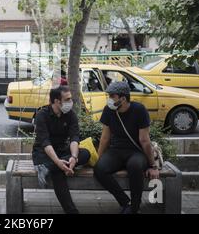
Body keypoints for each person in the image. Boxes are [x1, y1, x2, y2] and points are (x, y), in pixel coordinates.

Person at [93, 81, 159, 214]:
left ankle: (134, 207)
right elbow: (105, 138)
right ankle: (125, 202)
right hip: (116, 151)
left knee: (134, 166)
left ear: (123, 98)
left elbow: (144, 140)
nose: (109, 99)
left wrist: (153, 166)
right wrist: (98, 159)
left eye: (112, 96)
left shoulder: (139, 110)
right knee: (99, 169)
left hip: (136, 152)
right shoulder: (109, 110)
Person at [32, 85, 90, 214]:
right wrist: (58, 162)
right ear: (57, 101)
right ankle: (71, 211)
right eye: (68, 99)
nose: (71, 102)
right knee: (59, 171)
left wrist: (74, 157)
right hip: (44, 153)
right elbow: (45, 142)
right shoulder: (42, 115)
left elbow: (75, 137)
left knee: (85, 154)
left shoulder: (70, 115)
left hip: (62, 151)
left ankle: (47, 168)